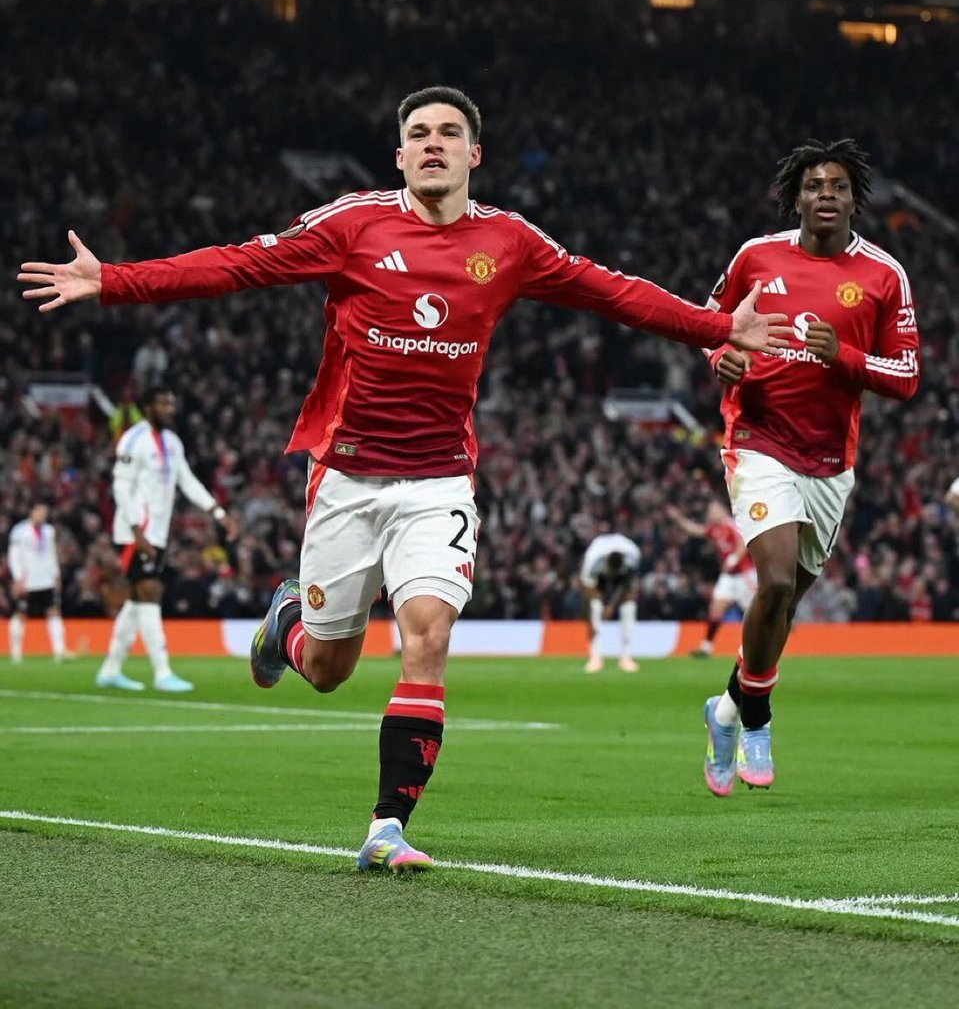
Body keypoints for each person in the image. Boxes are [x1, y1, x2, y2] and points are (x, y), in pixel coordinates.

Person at [20, 85, 791, 870]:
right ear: (398, 155)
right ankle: (286, 624)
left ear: (473, 154)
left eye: (448, 133)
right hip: (347, 479)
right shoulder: (352, 224)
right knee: (328, 670)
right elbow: (237, 264)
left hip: (438, 481)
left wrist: (717, 326)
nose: (432, 143)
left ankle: (387, 826)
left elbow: (609, 290)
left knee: (428, 634)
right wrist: (115, 280)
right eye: (418, 133)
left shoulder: (509, 241)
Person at [700, 139, 920, 796]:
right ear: (794, 197)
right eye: (814, 185)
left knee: (784, 604)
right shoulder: (755, 257)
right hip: (758, 440)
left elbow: (906, 375)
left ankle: (725, 710)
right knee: (771, 582)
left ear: (855, 200)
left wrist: (843, 356)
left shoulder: (883, 275)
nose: (826, 194)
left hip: (829, 462)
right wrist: (721, 358)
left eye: (838, 186)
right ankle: (757, 718)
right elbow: (710, 323)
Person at [95, 385, 237, 693]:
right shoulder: (132, 440)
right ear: (148, 407)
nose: (169, 409)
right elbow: (120, 487)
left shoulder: (172, 441)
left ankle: (110, 669)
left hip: (156, 533)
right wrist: (136, 531)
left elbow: (186, 480)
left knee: (136, 600)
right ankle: (162, 672)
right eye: (163, 404)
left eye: (171, 403)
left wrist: (218, 513)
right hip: (135, 532)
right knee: (150, 593)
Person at [666, 500, 756, 656]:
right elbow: (696, 530)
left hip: (745, 574)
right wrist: (679, 519)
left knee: (754, 612)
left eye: (714, 510)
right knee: (716, 609)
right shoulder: (714, 528)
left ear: (722, 511)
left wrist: (734, 558)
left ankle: (761, 645)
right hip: (729, 576)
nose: (710, 513)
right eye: (710, 511)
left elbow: (743, 542)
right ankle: (706, 647)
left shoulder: (731, 524)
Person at [6, 502, 69, 663]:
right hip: (27, 580)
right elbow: (14, 556)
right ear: (32, 512)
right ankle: (16, 652)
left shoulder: (49, 531)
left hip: (46, 579)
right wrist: (18, 578)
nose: (42, 515)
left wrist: (56, 574)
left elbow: (52, 554)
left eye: (44, 513)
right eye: (39, 512)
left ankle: (59, 650)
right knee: (20, 614)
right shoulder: (19, 531)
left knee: (54, 611)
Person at [579, 531, 642, 673]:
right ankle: (595, 657)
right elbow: (589, 590)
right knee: (595, 607)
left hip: (622, 578)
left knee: (629, 606)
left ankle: (626, 657)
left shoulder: (633, 556)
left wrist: (611, 606)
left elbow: (628, 588)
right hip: (599, 579)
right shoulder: (592, 559)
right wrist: (602, 607)